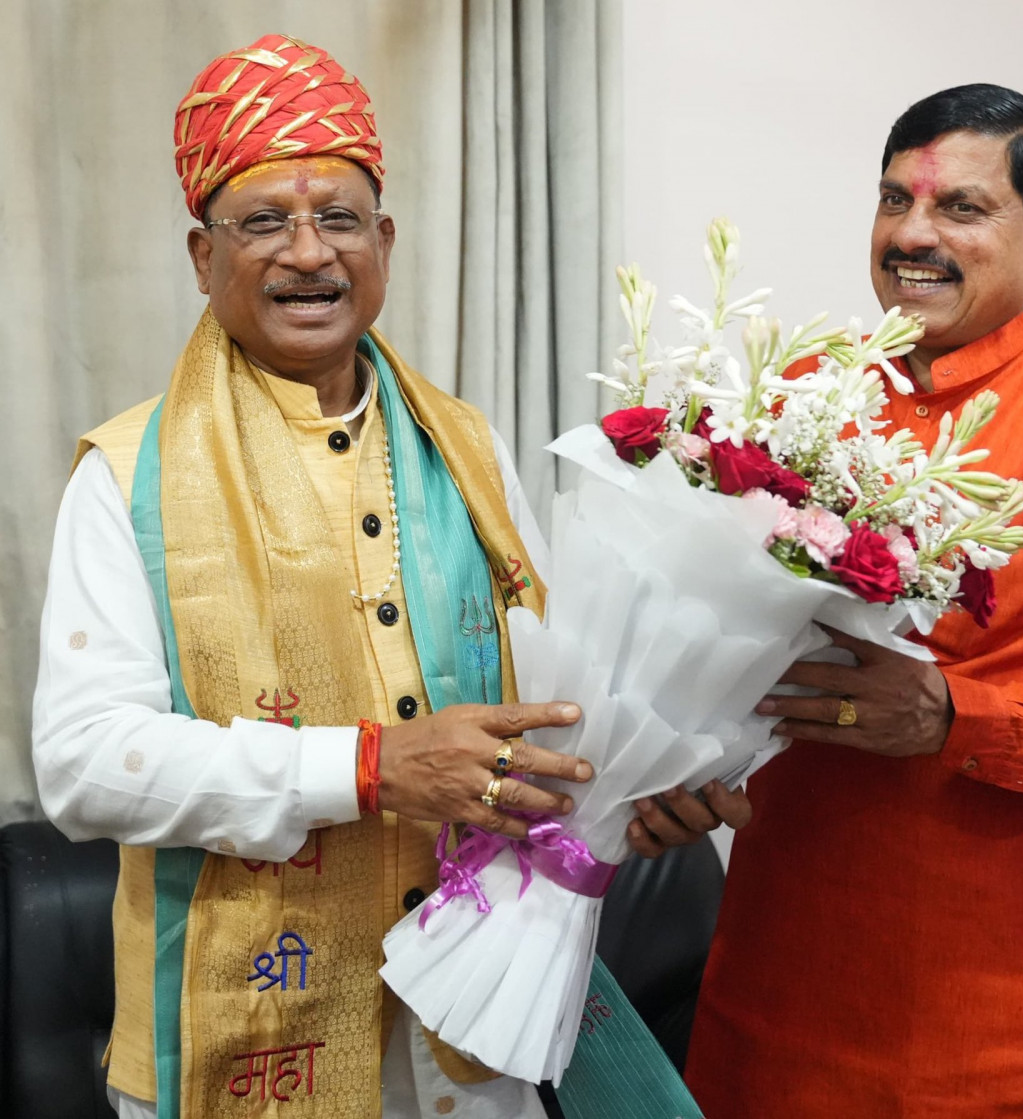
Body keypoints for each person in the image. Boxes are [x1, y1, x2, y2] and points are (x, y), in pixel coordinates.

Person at [31, 35, 743, 1119]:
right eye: (263, 222)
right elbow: (83, 765)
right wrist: (370, 767)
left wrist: (638, 785)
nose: (307, 253)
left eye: (340, 219)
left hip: (474, 1028)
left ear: (387, 241)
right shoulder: (125, 476)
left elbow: (551, 691)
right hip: (244, 1046)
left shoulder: (465, 444)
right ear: (200, 254)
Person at [683, 83, 1023, 1118]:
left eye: (958, 209)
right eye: (893, 200)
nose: (911, 234)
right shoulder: (809, 393)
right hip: (774, 963)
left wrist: (953, 716)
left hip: (988, 1019)